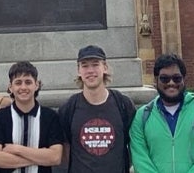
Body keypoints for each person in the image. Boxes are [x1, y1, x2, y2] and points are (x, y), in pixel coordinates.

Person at [129, 53, 194, 173]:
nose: (171, 83)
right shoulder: (142, 117)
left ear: (184, 79)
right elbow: (140, 159)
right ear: (155, 80)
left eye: (177, 78)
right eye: (164, 78)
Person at [57, 45, 136, 173]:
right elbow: (64, 150)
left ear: (105, 67)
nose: (90, 71)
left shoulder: (123, 104)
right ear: (78, 70)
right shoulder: (68, 108)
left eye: (95, 64)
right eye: (85, 66)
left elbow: (134, 144)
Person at [0, 60, 66, 173]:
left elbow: (55, 157)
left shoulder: (50, 117)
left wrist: (17, 149)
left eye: (28, 82)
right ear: (10, 87)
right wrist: (40, 157)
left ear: (36, 85)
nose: (23, 87)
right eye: (18, 83)